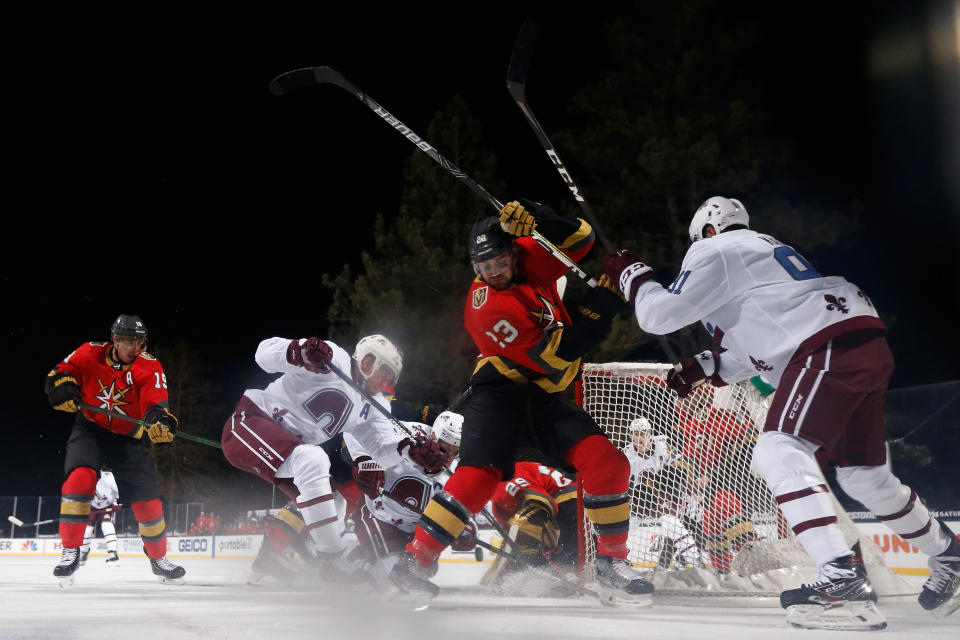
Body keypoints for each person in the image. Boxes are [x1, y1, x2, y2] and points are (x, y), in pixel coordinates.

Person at [602, 196, 959, 627]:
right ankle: (949, 554)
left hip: (822, 346)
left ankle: (839, 576)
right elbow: (753, 349)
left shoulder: (715, 248)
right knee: (865, 477)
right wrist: (707, 365)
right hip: (857, 341)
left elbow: (658, 315)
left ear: (708, 232)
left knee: (777, 448)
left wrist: (634, 276)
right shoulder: (762, 261)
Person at [391, 200, 653, 604]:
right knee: (479, 476)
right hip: (501, 398)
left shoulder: (531, 256)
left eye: (498, 262)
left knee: (608, 462)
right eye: (483, 268)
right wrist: (605, 301)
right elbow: (560, 352)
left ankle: (612, 562)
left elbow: (581, 237)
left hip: (543, 398)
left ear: (514, 252)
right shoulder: (488, 308)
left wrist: (539, 216)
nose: (492, 273)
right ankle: (414, 561)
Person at [221, 334, 447, 584]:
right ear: (368, 362)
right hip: (252, 421)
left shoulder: (374, 405)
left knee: (334, 500)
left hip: (289, 449)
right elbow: (263, 354)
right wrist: (300, 351)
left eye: (391, 378)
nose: (385, 382)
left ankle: (319, 563)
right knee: (313, 459)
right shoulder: (335, 358)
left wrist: (408, 450)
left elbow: (381, 448)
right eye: (384, 372)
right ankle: (332, 557)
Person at [44, 314, 184, 586]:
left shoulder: (150, 365)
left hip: (127, 439)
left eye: (140, 342)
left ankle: (158, 559)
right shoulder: (88, 352)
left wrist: (159, 420)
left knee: (148, 502)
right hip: (89, 430)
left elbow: (156, 403)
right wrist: (62, 389)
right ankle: (70, 551)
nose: (136, 348)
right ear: (115, 340)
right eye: (129, 342)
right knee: (79, 480)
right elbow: (56, 375)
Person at [348, 412, 464, 594]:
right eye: (444, 448)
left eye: (455, 451)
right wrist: (366, 461)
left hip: (415, 528)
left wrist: (463, 526)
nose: (448, 457)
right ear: (433, 437)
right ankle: (371, 565)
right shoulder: (405, 433)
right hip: (379, 514)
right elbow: (354, 427)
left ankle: (363, 557)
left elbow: (459, 502)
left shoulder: (459, 467)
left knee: (427, 568)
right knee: (389, 565)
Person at [484, 461, 579, 592]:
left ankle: (565, 577)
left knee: (528, 530)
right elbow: (511, 537)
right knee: (525, 534)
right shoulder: (509, 471)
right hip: (578, 504)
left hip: (568, 506)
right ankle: (573, 574)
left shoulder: (501, 485)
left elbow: (541, 503)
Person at [79, 468, 122, 565]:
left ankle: (112, 554)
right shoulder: (83, 478)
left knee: (107, 524)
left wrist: (117, 503)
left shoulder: (108, 477)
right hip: (92, 507)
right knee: (87, 529)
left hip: (108, 505)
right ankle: (83, 552)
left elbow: (118, 490)